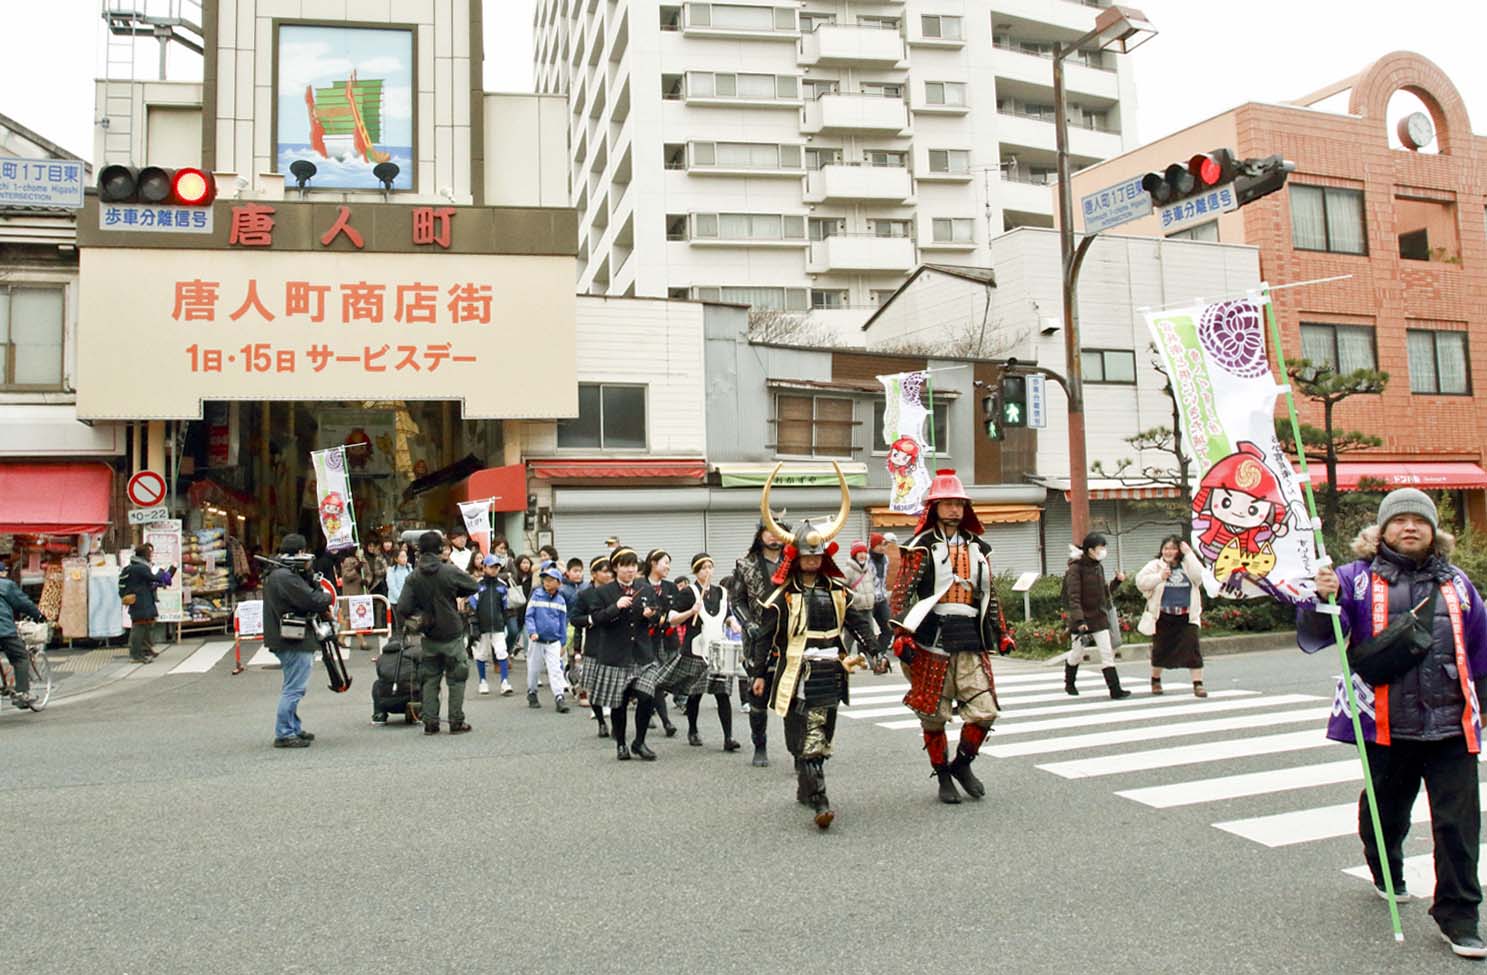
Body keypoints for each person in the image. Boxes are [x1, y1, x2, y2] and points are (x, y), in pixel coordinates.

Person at [1301, 489, 1487, 958]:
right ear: (1381, 531)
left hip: (1451, 724)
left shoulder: (1459, 583)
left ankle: (1459, 916)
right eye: (1399, 520)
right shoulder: (1354, 580)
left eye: (1418, 521)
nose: (1410, 528)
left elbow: (1482, 649)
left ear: (1433, 531)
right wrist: (1318, 598)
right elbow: (1324, 632)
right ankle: (1385, 865)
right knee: (1387, 811)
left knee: (1459, 826)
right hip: (1386, 725)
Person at [751, 464, 875, 829]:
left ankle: (808, 786)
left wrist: (875, 649)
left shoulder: (839, 591)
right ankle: (820, 797)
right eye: (806, 556)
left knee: (823, 734)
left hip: (830, 670)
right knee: (804, 738)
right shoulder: (782, 596)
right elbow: (765, 636)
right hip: (795, 670)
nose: (811, 561)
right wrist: (758, 673)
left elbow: (859, 623)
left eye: (816, 556)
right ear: (796, 558)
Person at [890, 469, 1016, 804]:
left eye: (959, 503)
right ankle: (943, 775)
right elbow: (901, 595)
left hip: (971, 638)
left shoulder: (979, 548)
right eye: (947, 503)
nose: (954, 510)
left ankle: (963, 764)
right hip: (932, 638)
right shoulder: (920, 547)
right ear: (934, 507)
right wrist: (899, 634)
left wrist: (1001, 632)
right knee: (934, 715)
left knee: (985, 710)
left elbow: (991, 594)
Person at [397, 531, 480, 735]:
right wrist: (454, 593)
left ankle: (430, 722)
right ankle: (456, 721)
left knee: (430, 679)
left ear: (420, 550)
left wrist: (421, 613)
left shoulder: (413, 577)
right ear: (440, 549)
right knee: (457, 678)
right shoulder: (449, 571)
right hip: (452, 630)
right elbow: (473, 585)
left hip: (429, 634)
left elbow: (403, 606)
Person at [584, 548, 661, 761]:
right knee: (619, 701)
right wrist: (615, 608)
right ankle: (621, 744)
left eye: (634, 566)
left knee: (647, 697)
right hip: (615, 654)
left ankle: (640, 742)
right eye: (626, 565)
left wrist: (651, 615)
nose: (630, 570)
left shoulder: (645, 589)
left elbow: (657, 613)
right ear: (616, 567)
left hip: (642, 654)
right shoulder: (603, 592)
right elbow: (596, 619)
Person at [727, 515, 791, 767]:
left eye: (780, 531)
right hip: (757, 638)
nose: (774, 536)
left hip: (789, 637)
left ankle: (798, 748)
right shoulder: (746, 564)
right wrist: (748, 624)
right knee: (758, 694)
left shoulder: (794, 562)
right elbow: (737, 600)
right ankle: (759, 745)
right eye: (770, 531)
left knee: (794, 696)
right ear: (760, 535)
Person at [661, 553, 741, 751]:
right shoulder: (689, 592)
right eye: (703, 567)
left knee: (723, 694)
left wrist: (733, 623)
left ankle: (728, 737)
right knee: (695, 693)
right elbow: (672, 618)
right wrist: (690, 612)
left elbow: (727, 615)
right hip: (696, 649)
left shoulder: (721, 592)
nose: (707, 571)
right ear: (696, 571)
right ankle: (693, 730)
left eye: (710, 567)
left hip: (719, 650)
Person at [261, 534, 334, 749]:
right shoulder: (285, 576)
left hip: (286, 635)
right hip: (292, 637)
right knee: (294, 689)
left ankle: (293, 727)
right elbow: (313, 599)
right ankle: (284, 732)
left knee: (292, 685)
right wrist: (326, 595)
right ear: (300, 551)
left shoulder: (279, 573)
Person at [1135, 536, 1208, 698]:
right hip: (1163, 615)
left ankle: (1198, 684)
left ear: (1179, 551)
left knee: (1193, 649)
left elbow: (1200, 578)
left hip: (1187, 615)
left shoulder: (1187, 564)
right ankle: (1155, 680)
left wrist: (1190, 554)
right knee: (1160, 650)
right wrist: (1159, 577)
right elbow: (1140, 582)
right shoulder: (1155, 565)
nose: (1169, 552)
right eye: (1166, 548)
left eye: (1173, 548)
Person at [1061, 532, 1130, 700]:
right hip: (1082, 619)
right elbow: (1073, 597)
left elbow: (1104, 593)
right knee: (1077, 654)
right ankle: (1069, 683)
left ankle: (1115, 690)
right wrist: (1079, 620)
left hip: (1099, 617)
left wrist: (1117, 581)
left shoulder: (1098, 566)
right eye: (1101, 547)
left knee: (1107, 653)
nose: (1103, 551)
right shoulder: (1075, 569)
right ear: (1090, 550)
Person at [638, 549, 679, 737]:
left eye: (669, 563)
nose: (668, 567)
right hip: (644, 641)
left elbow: (675, 612)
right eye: (665, 562)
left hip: (667, 640)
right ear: (653, 563)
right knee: (651, 680)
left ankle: (650, 712)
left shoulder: (670, 588)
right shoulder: (639, 585)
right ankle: (666, 721)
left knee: (659, 680)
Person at [571, 556, 614, 732]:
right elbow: (574, 618)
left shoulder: (615, 592)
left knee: (613, 683)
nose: (608, 574)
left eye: (610, 571)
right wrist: (590, 619)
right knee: (593, 686)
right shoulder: (585, 595)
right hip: (594, 643)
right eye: (604, 571)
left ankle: (613, 720)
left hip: (614, 642)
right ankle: (601, 722)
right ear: (594, 574)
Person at [118, 542, 174, 663]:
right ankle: (136, 654)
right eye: (150, 553)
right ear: (144, 555)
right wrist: (162, 571)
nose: (151, 556)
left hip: (143, 600)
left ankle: (145, 649)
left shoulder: (133, 566)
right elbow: (154, 578)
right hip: (141, 601)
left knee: (147, 624)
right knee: (139, 626)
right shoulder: (140, 568)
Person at [526, 564, 571, 712]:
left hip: (553, 641)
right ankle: (532, 692)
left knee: (556, 669)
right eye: (545, 579)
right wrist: (532, 631)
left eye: (551, 580)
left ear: (558, 582)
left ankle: (559, 697)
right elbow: (529, 616)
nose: (547, 582)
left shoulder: (561, 601)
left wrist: (563, 642)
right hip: (537, 640)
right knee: (534, 668)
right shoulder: (536, 596)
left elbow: (563, 622)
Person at [0, 573, 44, 709]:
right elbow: (23, 603)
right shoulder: (5, 585)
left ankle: (6, 686)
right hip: (3, 630)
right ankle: (22, 694)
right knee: (20, 657)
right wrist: (38, 615)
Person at [471, 555, 512, 696]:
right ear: (484, 567)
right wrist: (474, 625)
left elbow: (505, 606)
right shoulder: (477, 585)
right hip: (481, 626)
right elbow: (472, 606)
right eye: (491, 567)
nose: (494, 570)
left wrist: (504, 621)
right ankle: (482, 681)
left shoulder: (502, 585)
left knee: (502, 651)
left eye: (497, 567)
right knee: (481, 653)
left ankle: (504, 681)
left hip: (498, 625)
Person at [841, 541, 880, 658]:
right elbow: (842, 588)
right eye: (859, 553)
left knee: (870, 636)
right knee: (849, 638)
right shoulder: (848, 570)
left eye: (864, 552)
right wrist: (855, 597)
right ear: (854, 555)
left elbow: (873, 584)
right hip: (854, 609)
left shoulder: (868, 569)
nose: (862, 555)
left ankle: (874, 663)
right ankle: (842, 660)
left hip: (867, 608)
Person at [338, 545, 370, 651]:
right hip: (351, 593)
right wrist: (356, 570)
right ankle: (363, 642)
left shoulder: (364, 561)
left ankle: (341, 639)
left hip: (361, 593)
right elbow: (346, 577)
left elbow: (369, 574)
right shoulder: (348, 561)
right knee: (355, 618)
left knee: (350, 620)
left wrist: (367, 581)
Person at [868, 533, 893, 654]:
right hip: (869, 599)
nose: (882, 548)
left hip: (882, 598)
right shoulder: (866, 559)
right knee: (867, 630)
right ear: (873, 546)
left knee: (888, 628)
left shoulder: (886, 559)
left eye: (884, 545)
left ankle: (880, 653)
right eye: (880, 545)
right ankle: (865, 655)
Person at [386, 546, 413, 631]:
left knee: (409, 622)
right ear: (396, 559)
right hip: (396, 601)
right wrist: (401, 598)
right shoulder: (391, 570)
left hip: (408, 600)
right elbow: (392, 586)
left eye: (405, 556)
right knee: (400, 622)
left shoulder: (409, 568)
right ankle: (401, 639)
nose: (404, 559)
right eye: (401, 557)